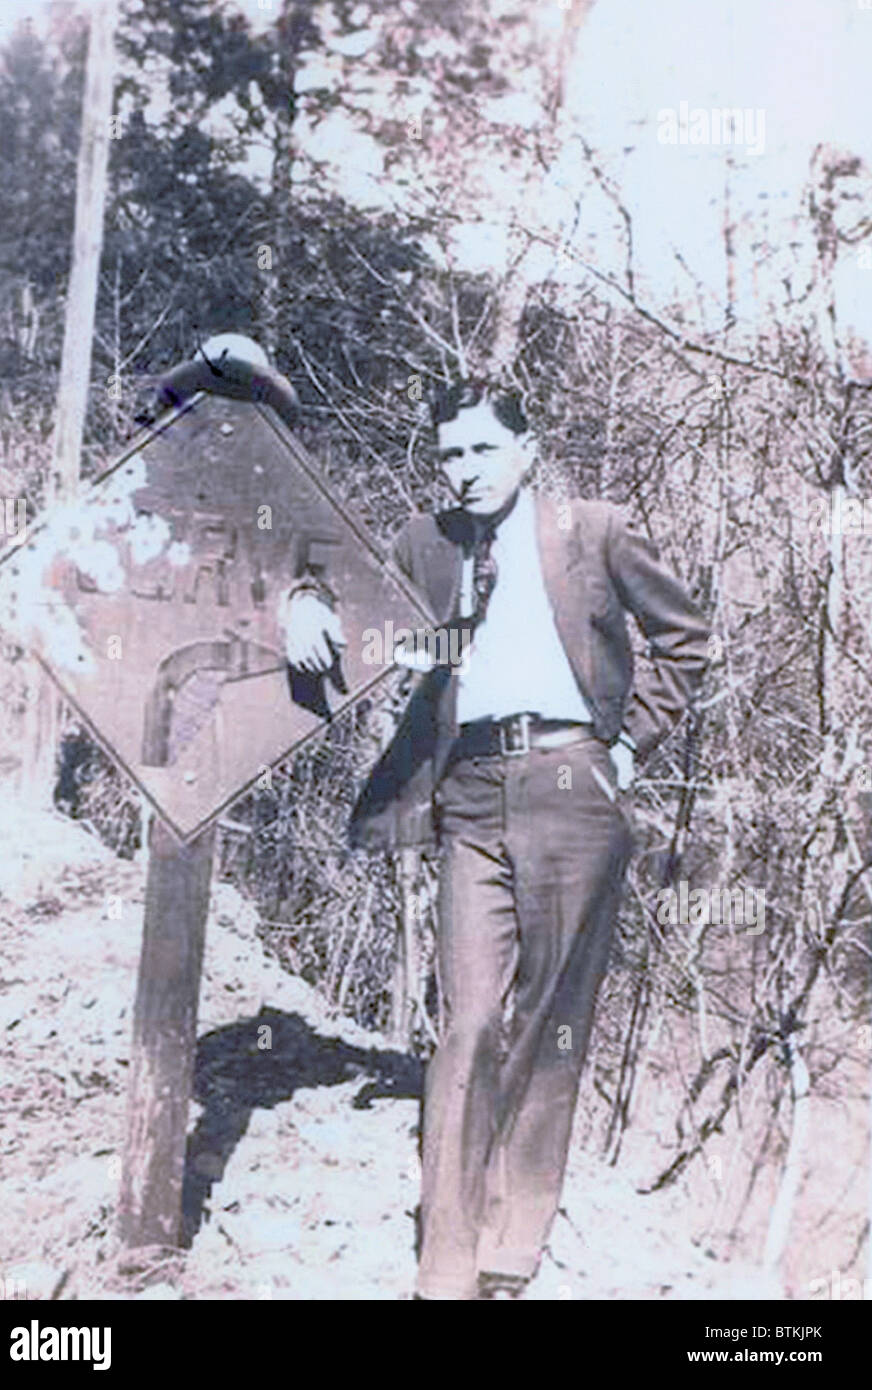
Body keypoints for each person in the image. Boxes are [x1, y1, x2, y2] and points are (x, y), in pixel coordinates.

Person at [283, 377, 711, 1300]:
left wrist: (627, 746)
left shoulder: (593, 530)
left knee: (551, 1021)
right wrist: (306, 601)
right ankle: (444, 1263)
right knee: (469, 1022)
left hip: (572, 784)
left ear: (528, 448)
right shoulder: (428, 541)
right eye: (449, 454)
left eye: (482, 449)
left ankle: (511, 1248)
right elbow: (335, 568)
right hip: (469, 790)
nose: (465, 470)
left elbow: (686, 637)